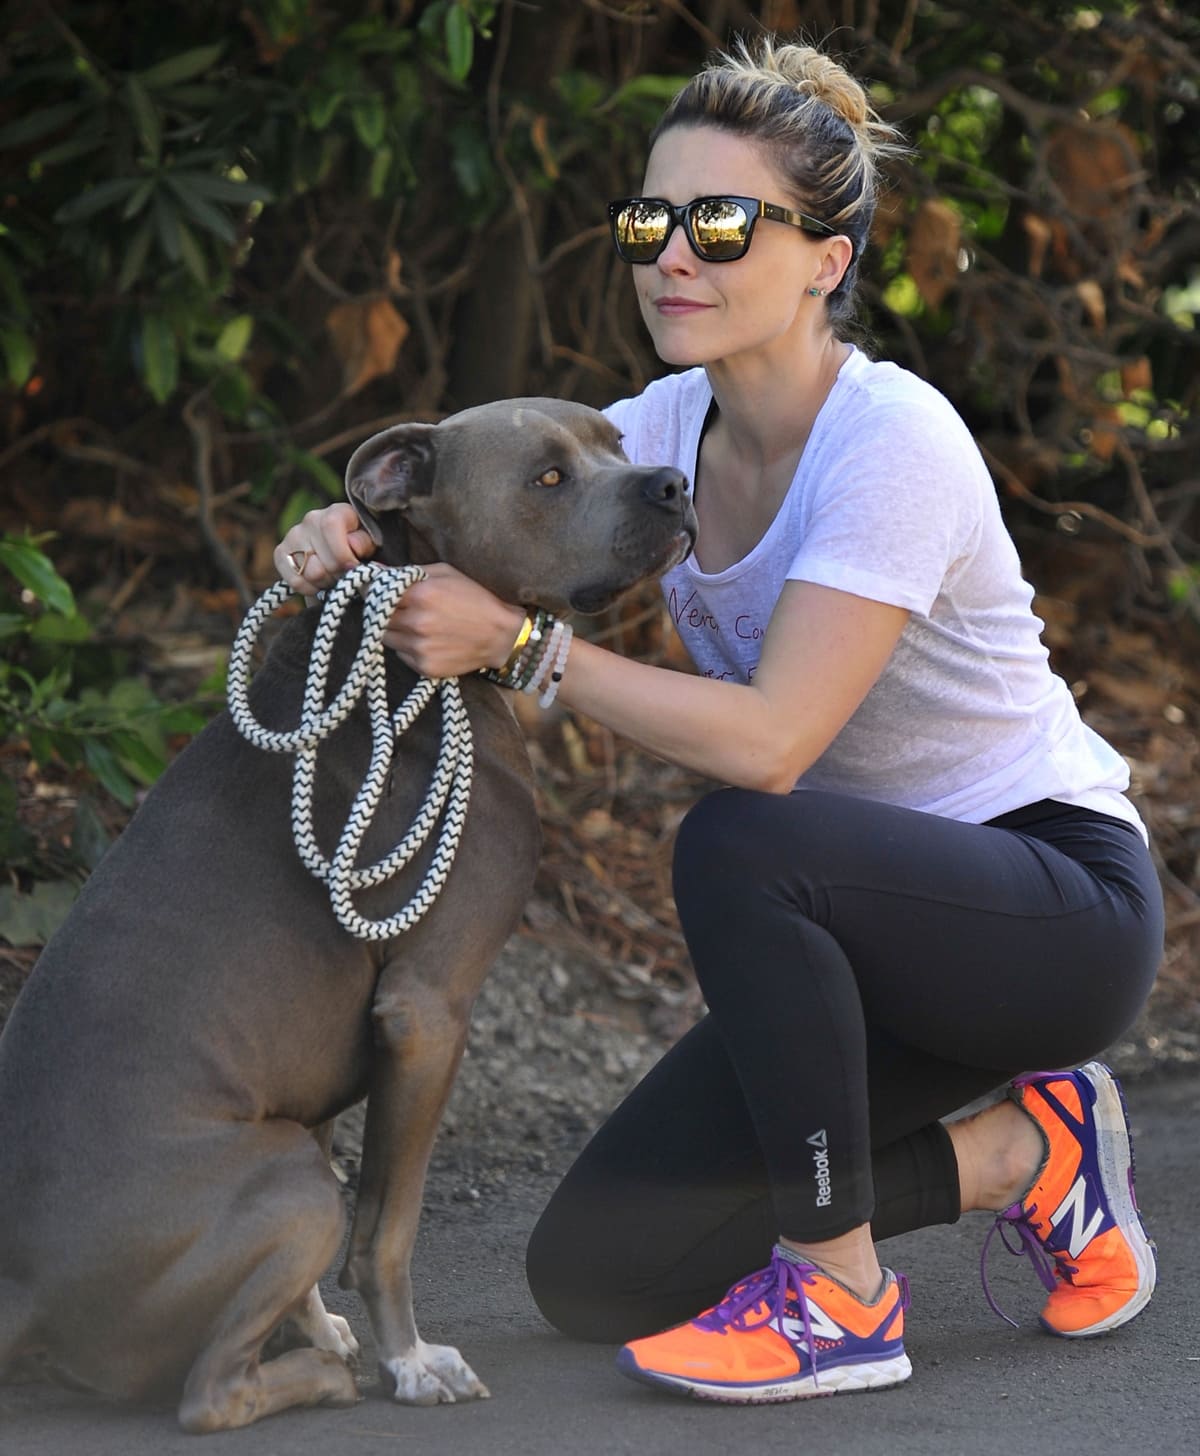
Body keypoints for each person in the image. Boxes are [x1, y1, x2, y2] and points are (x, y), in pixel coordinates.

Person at [274, 37, 1163, 1405]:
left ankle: (842, 1296)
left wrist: (519, 648)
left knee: (741, 832)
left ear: (826, 257)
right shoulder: (661, 432)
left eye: (722, 222)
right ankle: (1027, 1157)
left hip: (1047, 910)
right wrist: (362, 523)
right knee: (598, 1274)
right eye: (651, 220)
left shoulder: (894, 442)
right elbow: (498, 476)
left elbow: (772, 744)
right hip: (854, 940)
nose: (672, 254)